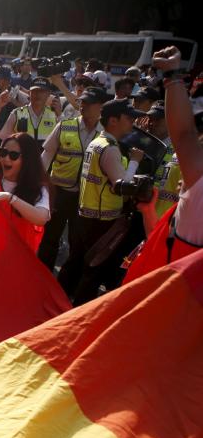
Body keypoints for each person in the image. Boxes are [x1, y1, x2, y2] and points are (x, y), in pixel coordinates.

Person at [123, 46, 203, 283]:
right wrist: (149, 212)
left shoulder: (199, 185)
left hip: (168, 296)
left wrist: (171, 75)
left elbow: (185, 134)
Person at [57, 99, 145, 304]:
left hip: (87, 213)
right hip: (101, 221)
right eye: (129, 117)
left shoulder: (98, 142)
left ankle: (58, 299)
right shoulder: (110, 148)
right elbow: (123, 187)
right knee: (93, 270)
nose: (133, 122)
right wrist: (134, 162)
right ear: (113, 120)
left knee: (77, 262)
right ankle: (79, 311)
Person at [36, 87, 108, 271]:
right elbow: (46, 155)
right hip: (59, 193)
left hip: (86, 199)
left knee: (78, 242)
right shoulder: (65, 125)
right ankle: (41, 276)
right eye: (82, 102)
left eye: (89, 103)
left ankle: (65, 284)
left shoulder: (106, 134)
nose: (83, 106)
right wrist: (38, 185)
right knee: (49, 238)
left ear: (101, 106)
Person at [0, 77, 57, 146]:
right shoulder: (17, 113)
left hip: (46, 156)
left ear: (48, 94)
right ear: (29, 93)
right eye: (35, 91)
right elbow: (4, 140)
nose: (38, 94)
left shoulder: (55, 114)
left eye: (42, 91)